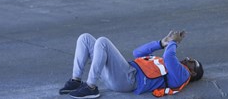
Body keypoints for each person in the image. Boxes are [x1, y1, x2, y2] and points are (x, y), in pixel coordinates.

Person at [59, 30, 203, 98]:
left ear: (193, 71)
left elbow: (170, 56)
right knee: (85, 38)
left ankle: (91, 87)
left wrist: (174, 42)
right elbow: (137, 53)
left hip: (129, 80)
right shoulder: (164, 63)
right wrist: (161, 43)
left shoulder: (183, 75)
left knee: (103, 42)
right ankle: (76, 80)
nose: (188, 58)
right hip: (124, 72)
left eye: (192, 61)